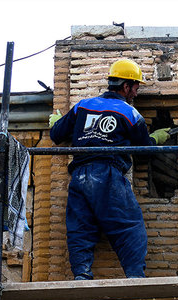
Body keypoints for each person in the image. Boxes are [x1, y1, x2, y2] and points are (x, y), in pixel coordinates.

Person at [48, 58, 171, 280]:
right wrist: (156, 138)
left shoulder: (82, 106)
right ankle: (134, 277)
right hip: (108, 175)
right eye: (135, 87)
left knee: (80, 228)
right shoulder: (130, 113)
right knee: (129, 227)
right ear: (125, 86)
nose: (136, 92)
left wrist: (57, 122)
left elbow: (56, 135)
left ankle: (82, 275)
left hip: (79, 176)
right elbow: (145, 150)